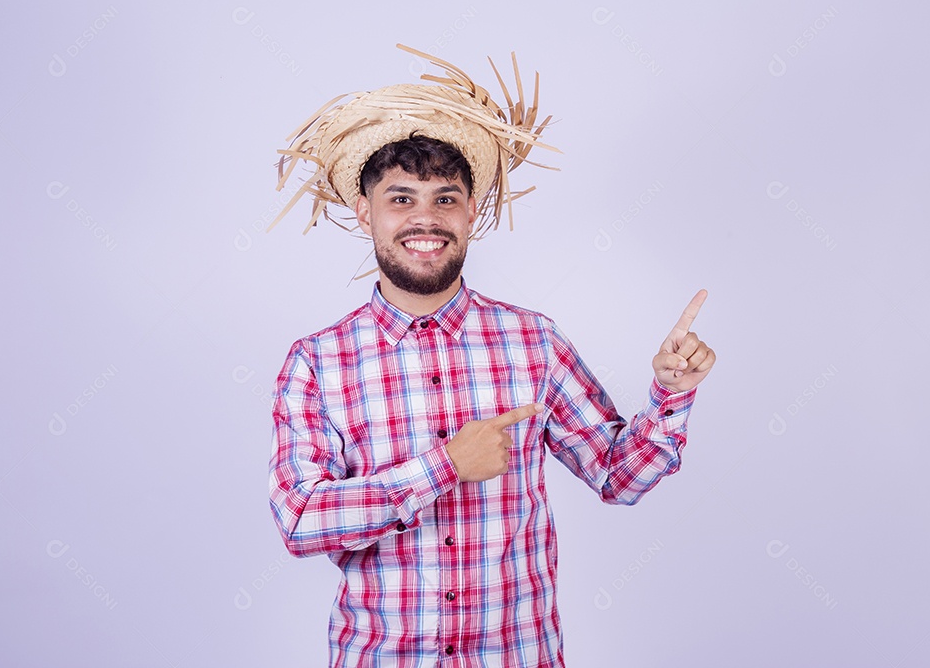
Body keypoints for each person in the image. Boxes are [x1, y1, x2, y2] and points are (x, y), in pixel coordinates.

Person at [268, 46, 715, 667]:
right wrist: (445, 465)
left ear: (472, 211)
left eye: (445, 198)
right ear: (363, 211)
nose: (425, 218)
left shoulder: (533, 342)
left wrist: (671, 392)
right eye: (401, 199)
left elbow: (618, 475)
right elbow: (300, 520)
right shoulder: (318, 362)